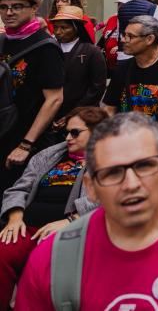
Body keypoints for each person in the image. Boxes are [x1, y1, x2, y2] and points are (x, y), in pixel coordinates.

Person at [15, 112, 158, 309]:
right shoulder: (53, 259)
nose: (131, 184)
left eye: (144, 165)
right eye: (112, 172)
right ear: (91, 187)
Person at [0, 106, 105, 300]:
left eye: (75, 132)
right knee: (2, 253)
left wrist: (71, 221)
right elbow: (19, 188)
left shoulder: (108, 161)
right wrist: (15, 218)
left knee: (44, 266)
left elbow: (105, 201)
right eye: (67, 132)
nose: (68, 138)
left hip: (69, 231)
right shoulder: (49, 155)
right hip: (26, 227)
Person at [0, 0, 65, 186]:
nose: (9, 12)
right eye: (3, 7)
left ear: (34, 8)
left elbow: (54, 99)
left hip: (26, 140)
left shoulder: (45, 47)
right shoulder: (3, 41)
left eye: (17, 6)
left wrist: (26, 144)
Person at [102, 15, 158, 129]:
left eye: (130, 36)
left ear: (149, 39)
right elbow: (109, 108)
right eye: (124, 35)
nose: (123, 40)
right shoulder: (123, 68)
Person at [47, 4, 106, 119]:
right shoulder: (50, 50)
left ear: (76, 28)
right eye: (55, 27)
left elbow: (97, 88)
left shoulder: (92, 52)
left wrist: (74, 113)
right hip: (52, 112)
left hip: (82, 114)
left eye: (63, 28)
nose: (58, 32)